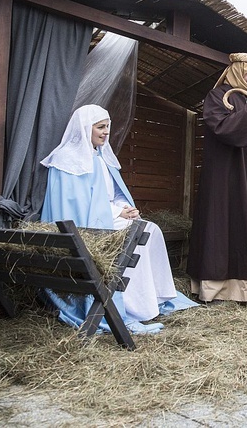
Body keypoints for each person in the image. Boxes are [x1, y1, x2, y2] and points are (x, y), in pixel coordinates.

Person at [40, 104, 197, 334]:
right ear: (85, 128)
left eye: (107, 127)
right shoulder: (66, 162)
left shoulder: (100, 158)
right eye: (100, 127)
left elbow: (111, 196)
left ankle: (154, 299)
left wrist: (125, 208)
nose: (106, 132)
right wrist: (116, 213)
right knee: (137, 234)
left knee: (150, 229)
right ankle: (132, 306)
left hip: (106, 218)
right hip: (87, 228)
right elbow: (75, 208)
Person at [186, 53, 247, 303]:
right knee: (222, 224)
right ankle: (217, 290)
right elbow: (221, 128)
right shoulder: (218, 96)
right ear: (236, 71)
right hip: (225, 177)